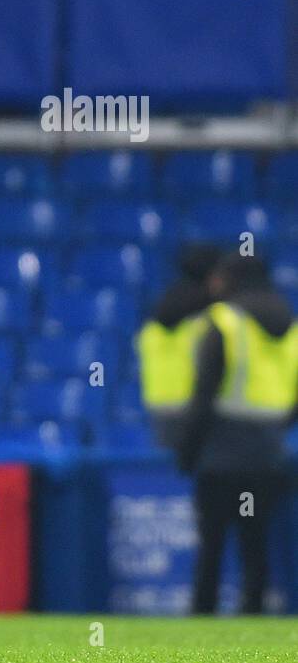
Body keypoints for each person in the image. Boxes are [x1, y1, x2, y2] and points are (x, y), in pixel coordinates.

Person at [174, 253, 298, 615]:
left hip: (221, 453)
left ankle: (203, 613)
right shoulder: (290, 325)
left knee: (211, 544)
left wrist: (187, 450)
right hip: (268, 454)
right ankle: (253, 614)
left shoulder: (225, 321)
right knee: (255, 544)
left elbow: (204, 393)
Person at [136, 243, 219, 449]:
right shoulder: (212, 318)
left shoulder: (156, 318)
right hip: (199, 411)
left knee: (172, 477)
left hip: (162, 411)